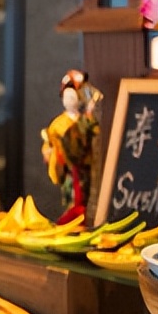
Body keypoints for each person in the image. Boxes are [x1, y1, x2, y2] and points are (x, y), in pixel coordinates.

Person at [40, 69, 101, 222]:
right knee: (72, 202)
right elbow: (50, 144)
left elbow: (94, 134)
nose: (70, 98)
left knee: (86, 203)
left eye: (73, 93)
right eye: (67, 94)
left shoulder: (86, 120)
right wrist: (49, 152)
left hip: (85, 171)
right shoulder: (59, 123)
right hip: (68, 171)